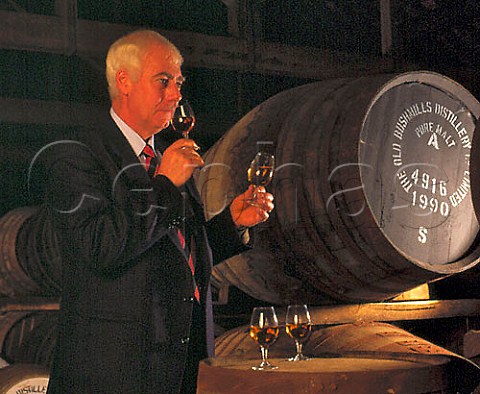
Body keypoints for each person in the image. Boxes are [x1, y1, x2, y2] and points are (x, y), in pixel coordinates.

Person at [44, 29, 274, 393]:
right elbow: (102, 247)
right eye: (163, 81)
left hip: (182, 366)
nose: (177, 95)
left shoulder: (167, 153)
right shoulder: (74, 154)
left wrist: (231, 225)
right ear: (125, 81)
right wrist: (165, 184)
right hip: (114, 374)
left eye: (179, 83)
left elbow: (176, 252)